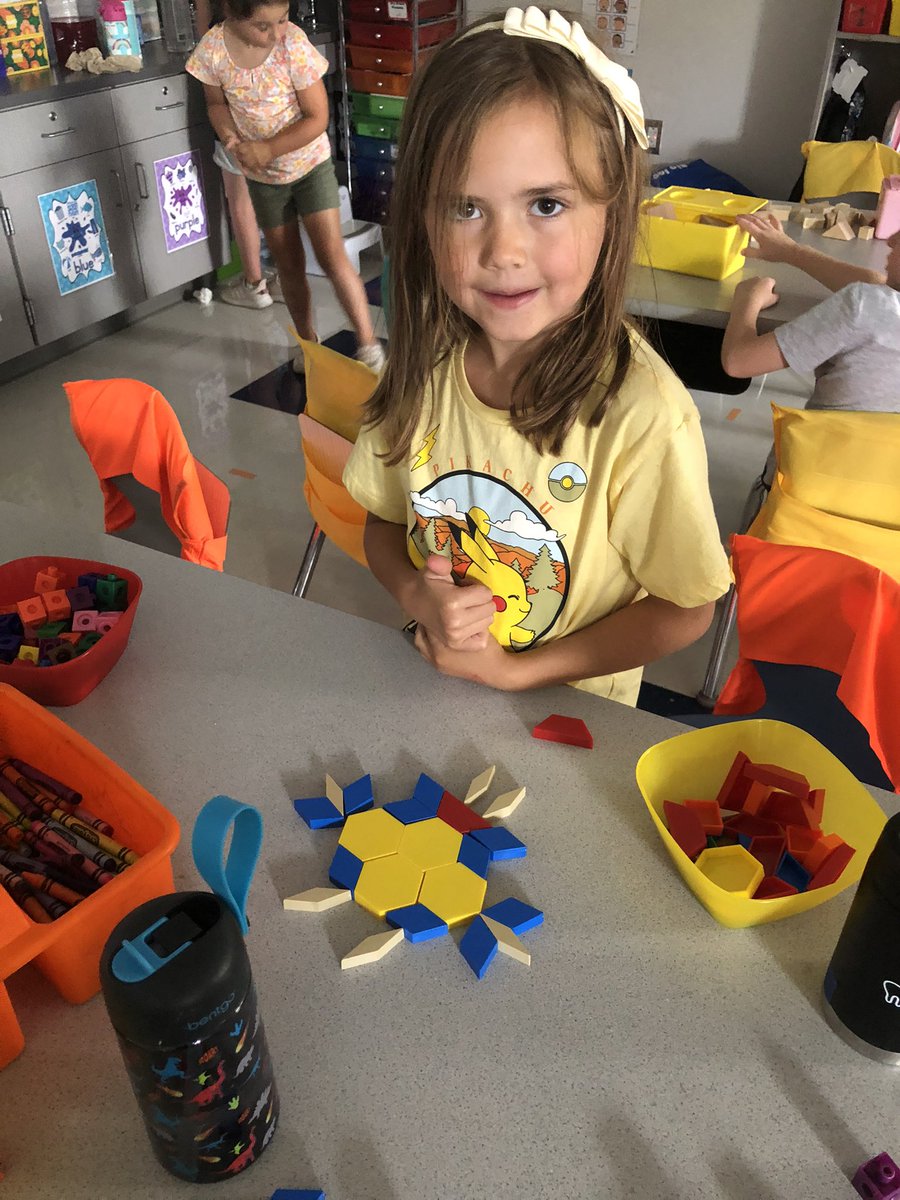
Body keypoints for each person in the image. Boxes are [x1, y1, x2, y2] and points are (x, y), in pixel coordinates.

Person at [343, 7, 731, 704]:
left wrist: (520, 672)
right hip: (439, 689)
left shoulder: (643, 417)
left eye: (546, 205)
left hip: (572, 723)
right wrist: (415, 593)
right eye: (465, 208)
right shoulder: (426, 365)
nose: (504, 253)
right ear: (423, 220)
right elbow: (384, 519)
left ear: (611, 211)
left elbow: (686, 608)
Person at [187, 0, 385, 373]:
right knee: (289, 267)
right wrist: (229, 134)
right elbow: (215, 103)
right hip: (265, 181)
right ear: (232, 13)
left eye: (283, 19)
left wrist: (269, 148)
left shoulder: (292, 43)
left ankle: (368, 345)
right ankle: (309, 348)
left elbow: (317, 116)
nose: (277, 32)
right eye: (265, 26)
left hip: (310, 167)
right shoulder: (212, 50)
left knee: (332, 257)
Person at [721, 212, 898, 412]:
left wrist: (747, 300)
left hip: (824, 441)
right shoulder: (877, 301)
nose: (891, 241)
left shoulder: (863, 305)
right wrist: (791, 252)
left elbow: (738, 362)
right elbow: (879, 286)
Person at [193, 0, 281, 310]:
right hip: (274, 123)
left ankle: (255, 285)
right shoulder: (273, 30)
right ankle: (285, 274)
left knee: (241, 204)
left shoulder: (217, 42)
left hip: (236, 128)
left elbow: (201, 30)